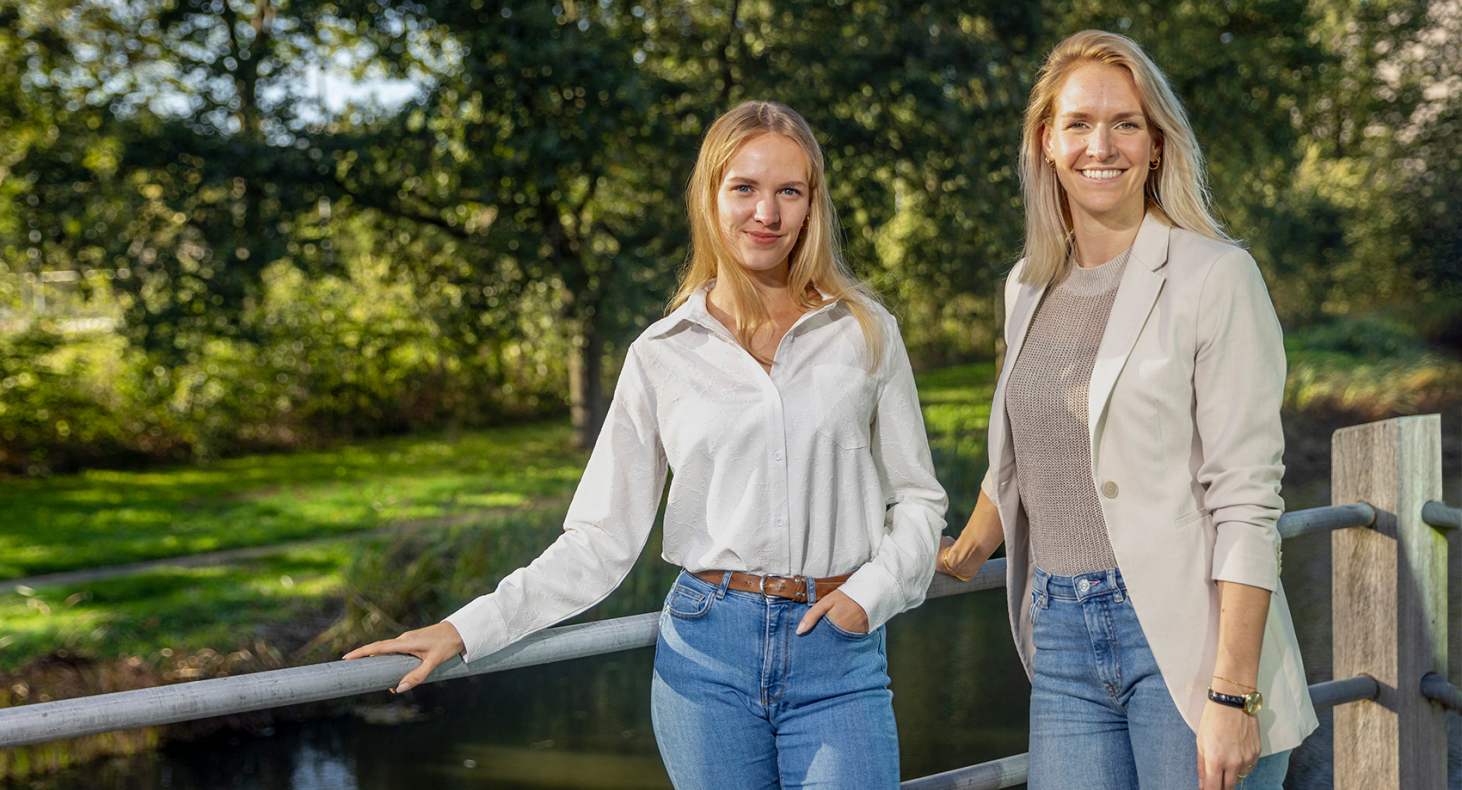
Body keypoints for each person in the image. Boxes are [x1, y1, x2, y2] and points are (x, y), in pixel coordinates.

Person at [345, 100, 947, 789]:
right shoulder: (662, 353)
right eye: (744, 188)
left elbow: (919, 500)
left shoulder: (866, 332)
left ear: (813, 203)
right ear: (710, 198)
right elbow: (599, 539)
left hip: (839, 648)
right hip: (707, 657)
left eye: (789, 191)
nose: (767, 214)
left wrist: (870, 595)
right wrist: (464, 630)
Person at [936, 30, 1316, 790]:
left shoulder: (1216, 276)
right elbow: (1036, 436)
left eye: (1125, 123)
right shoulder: (1026, 286)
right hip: (1062, 636)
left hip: (1187, 633)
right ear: (1046, 142)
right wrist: (970, 540)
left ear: (1156, 145)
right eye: (1077, 123)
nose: (1099, 145)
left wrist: (1233, 692)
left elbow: (1245, 500)